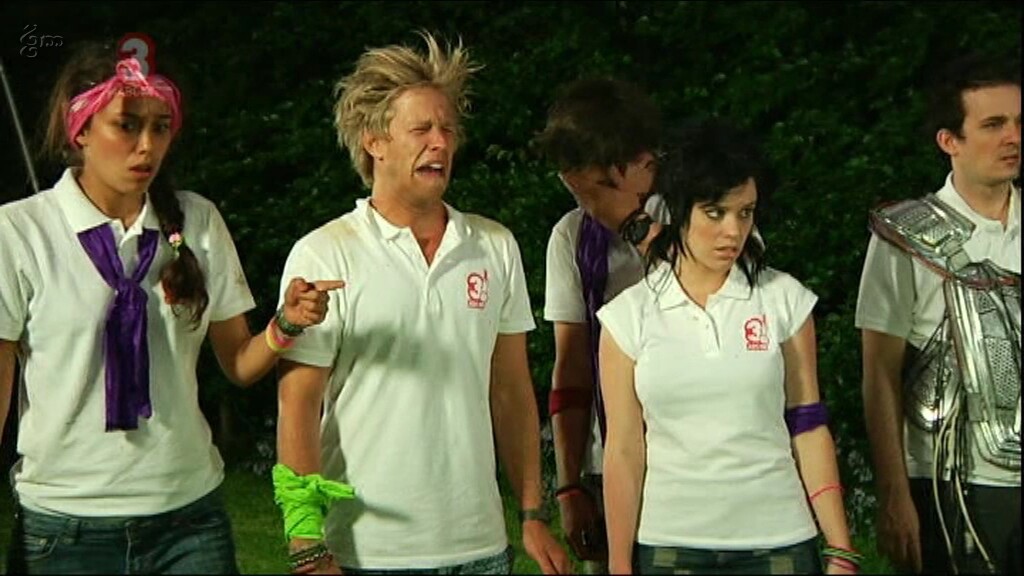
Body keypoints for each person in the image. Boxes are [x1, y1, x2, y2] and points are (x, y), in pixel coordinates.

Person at [0, 41, 339, 574]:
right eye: (127, 125)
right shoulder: (19, 232)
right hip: (64, 526)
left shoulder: (196, 221)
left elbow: (240, 364)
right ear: (80, 128)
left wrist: (287, 323)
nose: (147, 146)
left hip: (189, 519)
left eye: (160, 127)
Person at [272, 31, 571, 575]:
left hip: (480, 550)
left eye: (448, 129)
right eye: (422, 129)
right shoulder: (325, 253)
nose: (440, 143)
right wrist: (306, 541)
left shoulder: (494, 246)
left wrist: (532, 512)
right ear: (375, 142)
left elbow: (510, 390)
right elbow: (298, 406)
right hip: (368, 552)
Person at [597, 117, 857, 574]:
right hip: (671, 542)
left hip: (779, 538)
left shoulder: (784, 300)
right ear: (680, 212)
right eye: (715, 213)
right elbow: (623, 448)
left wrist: (840, 547)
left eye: (745, 212)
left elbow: (808, 422)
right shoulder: (628, 316)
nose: (733, 231)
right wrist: (620, 563)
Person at [856, 53, 1020, 575]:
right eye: (993, 125)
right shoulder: (904, 238)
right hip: (948, 483)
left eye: (1019, 122)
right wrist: (893, 493)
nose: (1013, 137)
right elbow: (879, 373)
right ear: (950, 140)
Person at [532, 77, 662, 573]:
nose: (589, 207)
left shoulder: (704, 217)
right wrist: (569, 485)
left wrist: (632, 225)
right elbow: (571, 366)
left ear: (636, 164)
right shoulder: (572, 237)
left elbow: (718, 301)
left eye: (595, 190)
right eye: (577, 193)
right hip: (607, 463)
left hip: (695, 463)